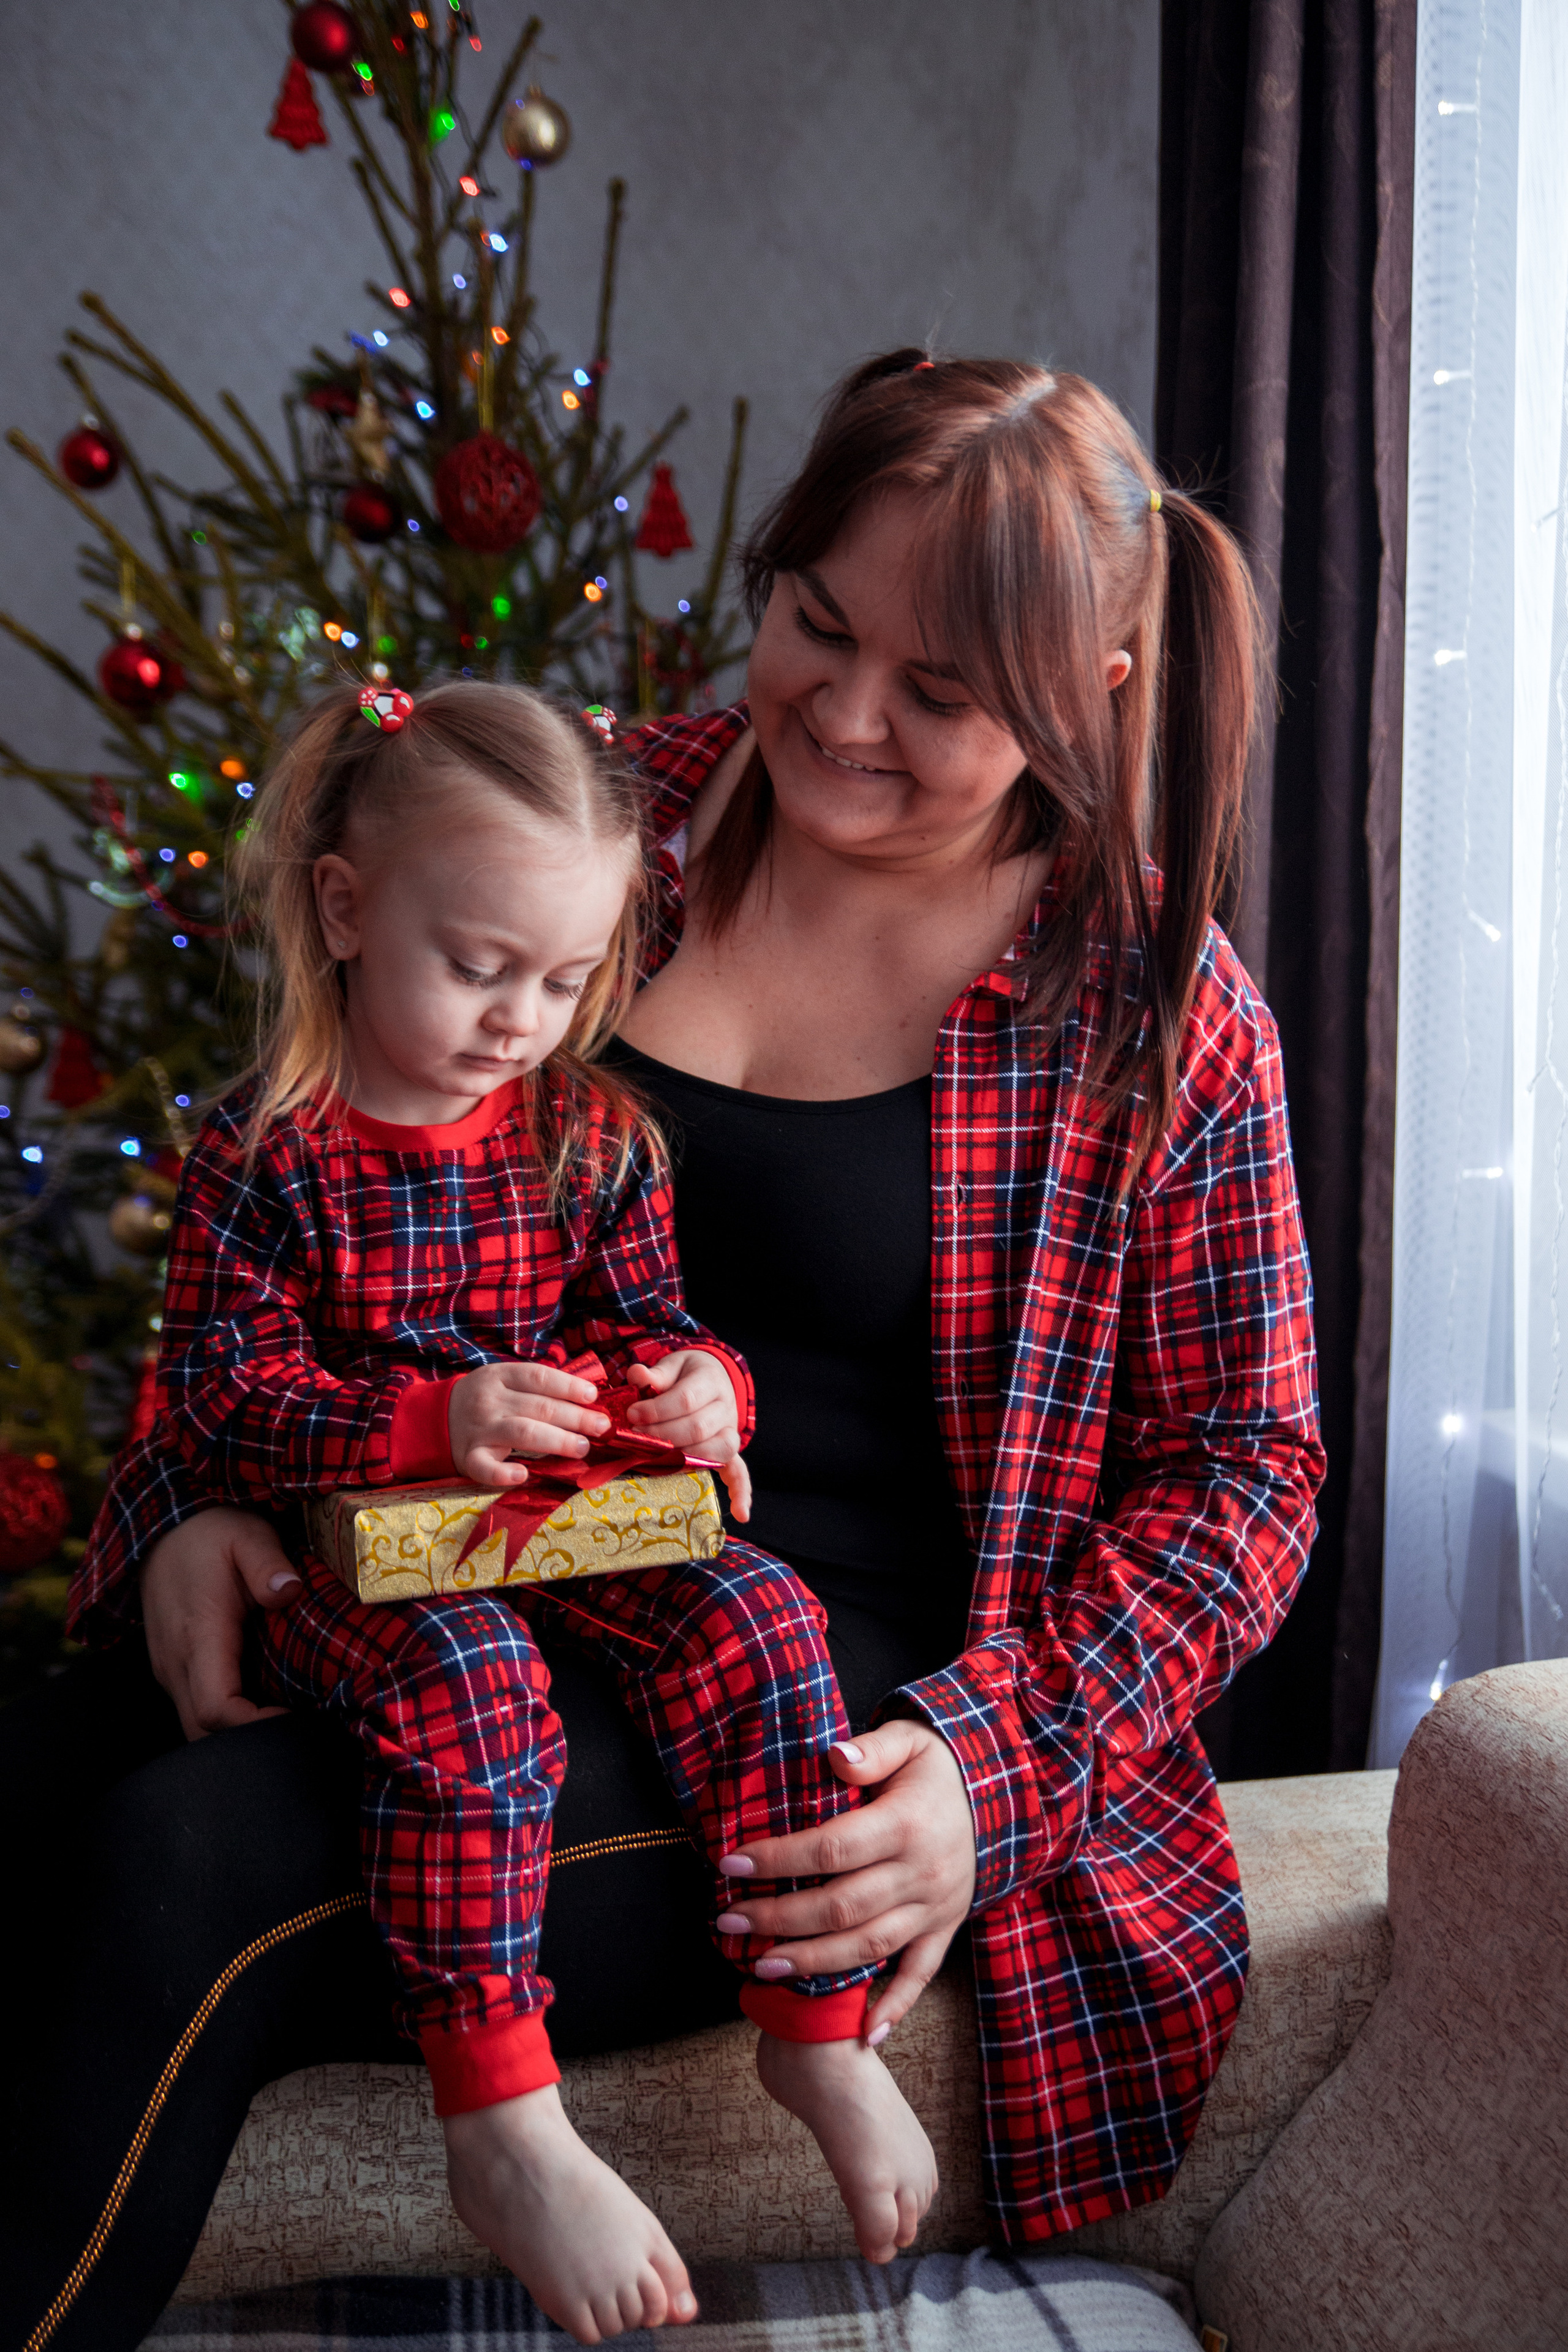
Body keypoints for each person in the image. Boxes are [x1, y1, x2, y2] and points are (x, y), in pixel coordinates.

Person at [1, 353, 1324, 2352]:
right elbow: (304, 1163)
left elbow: (1253, 1474)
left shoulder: (1155, 1013)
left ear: (1093, 690)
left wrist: (991, 1771)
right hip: (442, 1545)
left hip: (796, 1676)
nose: (847, 716)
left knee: (192, 1874)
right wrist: (192, 1495)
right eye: (817, 622)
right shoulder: (602, 817)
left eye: (941, 693)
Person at [70, 675, 940, 2341]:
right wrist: (420, 1419)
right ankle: (501, 2114)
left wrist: (702, 1391)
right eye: (477, 967)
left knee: (762, 1615)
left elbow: (652, 1326)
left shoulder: (590, 1139)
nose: (518, 1020)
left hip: (555, 1533)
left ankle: (816, 2028)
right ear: (345, 909)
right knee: (471, 1683)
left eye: (562, 979)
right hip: (351, 1563)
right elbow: (223, 1395)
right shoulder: (268, 1155)